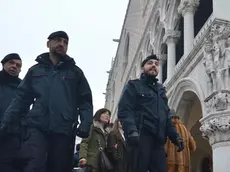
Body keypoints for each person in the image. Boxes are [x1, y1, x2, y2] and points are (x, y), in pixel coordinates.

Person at [0, 31, 93, 172]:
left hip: (64, 129)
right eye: (57, 40)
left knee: (59, 167)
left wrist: (86, 123)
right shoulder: (35, 71)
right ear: (48, 43)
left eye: (65, 42)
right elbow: (21, 99)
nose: (61, 44)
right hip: (36, 127)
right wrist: (6, 122)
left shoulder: (75, 73)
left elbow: (85, 100)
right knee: (34, 165)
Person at [118, 54, 184, 172]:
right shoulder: (133, 86)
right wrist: (132, 130)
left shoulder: (161, 90)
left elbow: (166, 117)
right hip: (140, 137)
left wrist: (175, 137)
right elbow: (125, 110)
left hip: (158, 141)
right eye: (150, 63)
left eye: (156, 64)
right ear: (142, 68)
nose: (154, 65)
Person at [0, 53, 23, 172]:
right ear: (3, 63)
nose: (14, 66)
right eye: (11, 63)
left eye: (18, 65)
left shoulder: (23, 87)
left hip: (14, 137)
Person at [79, 108, 111, 172]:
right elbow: (84, 142)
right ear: (98, 115)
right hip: (91, 163)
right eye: (104, 113)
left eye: (108, 114)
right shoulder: (92, 127)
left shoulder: (107, 133)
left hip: (102, 165)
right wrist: (83, 157)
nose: (107, 116)